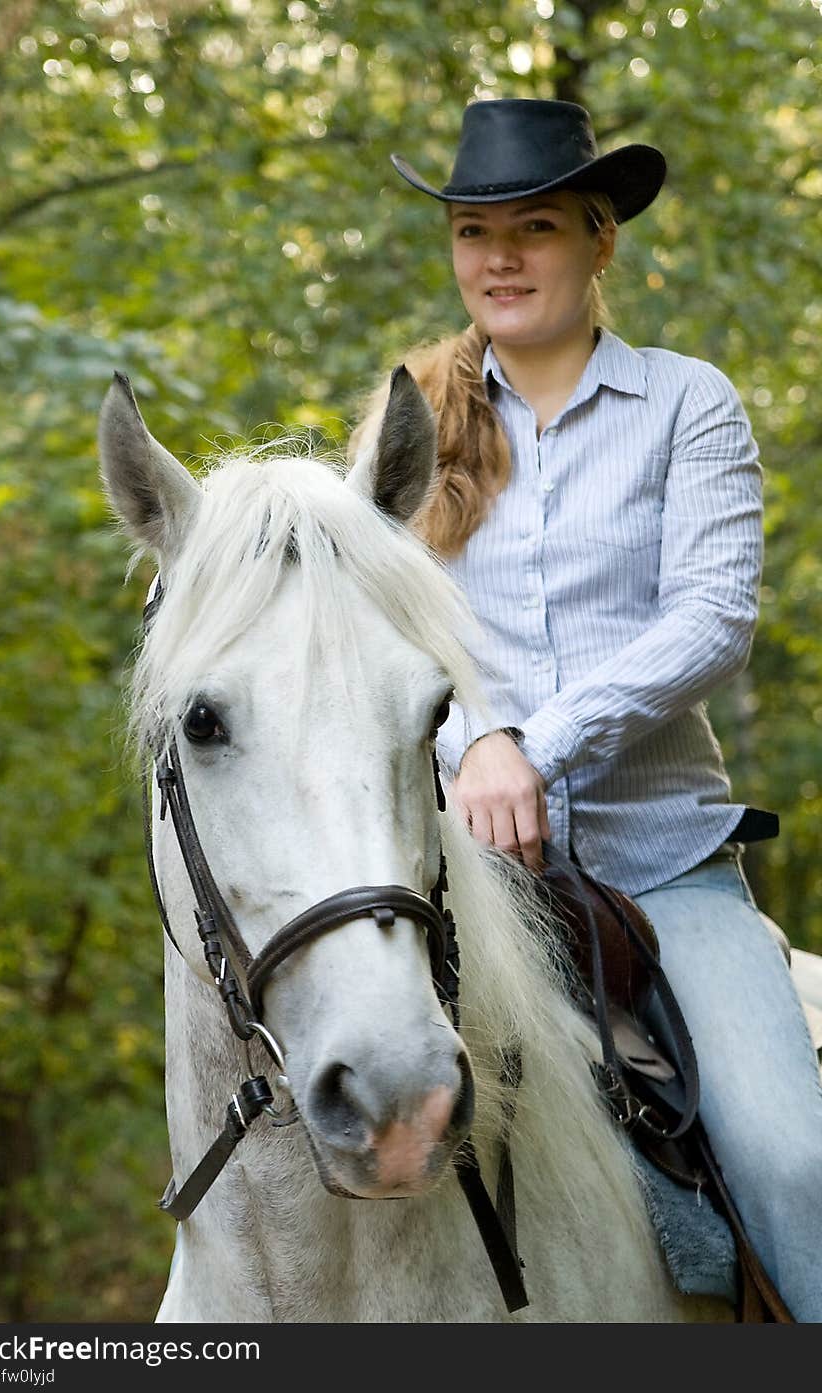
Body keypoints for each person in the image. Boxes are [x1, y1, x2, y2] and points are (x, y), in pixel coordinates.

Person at [350, 98, 822, 1321]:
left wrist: (530, 745)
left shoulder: (686, 403)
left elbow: (712, 616)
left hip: (664, 872)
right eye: (472, 231)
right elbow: (379, 639)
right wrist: (472, 748)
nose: (499, 257)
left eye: (536, 227)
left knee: (791, 1157)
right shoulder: (411, 412)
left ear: (599, 241)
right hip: (458, 875)